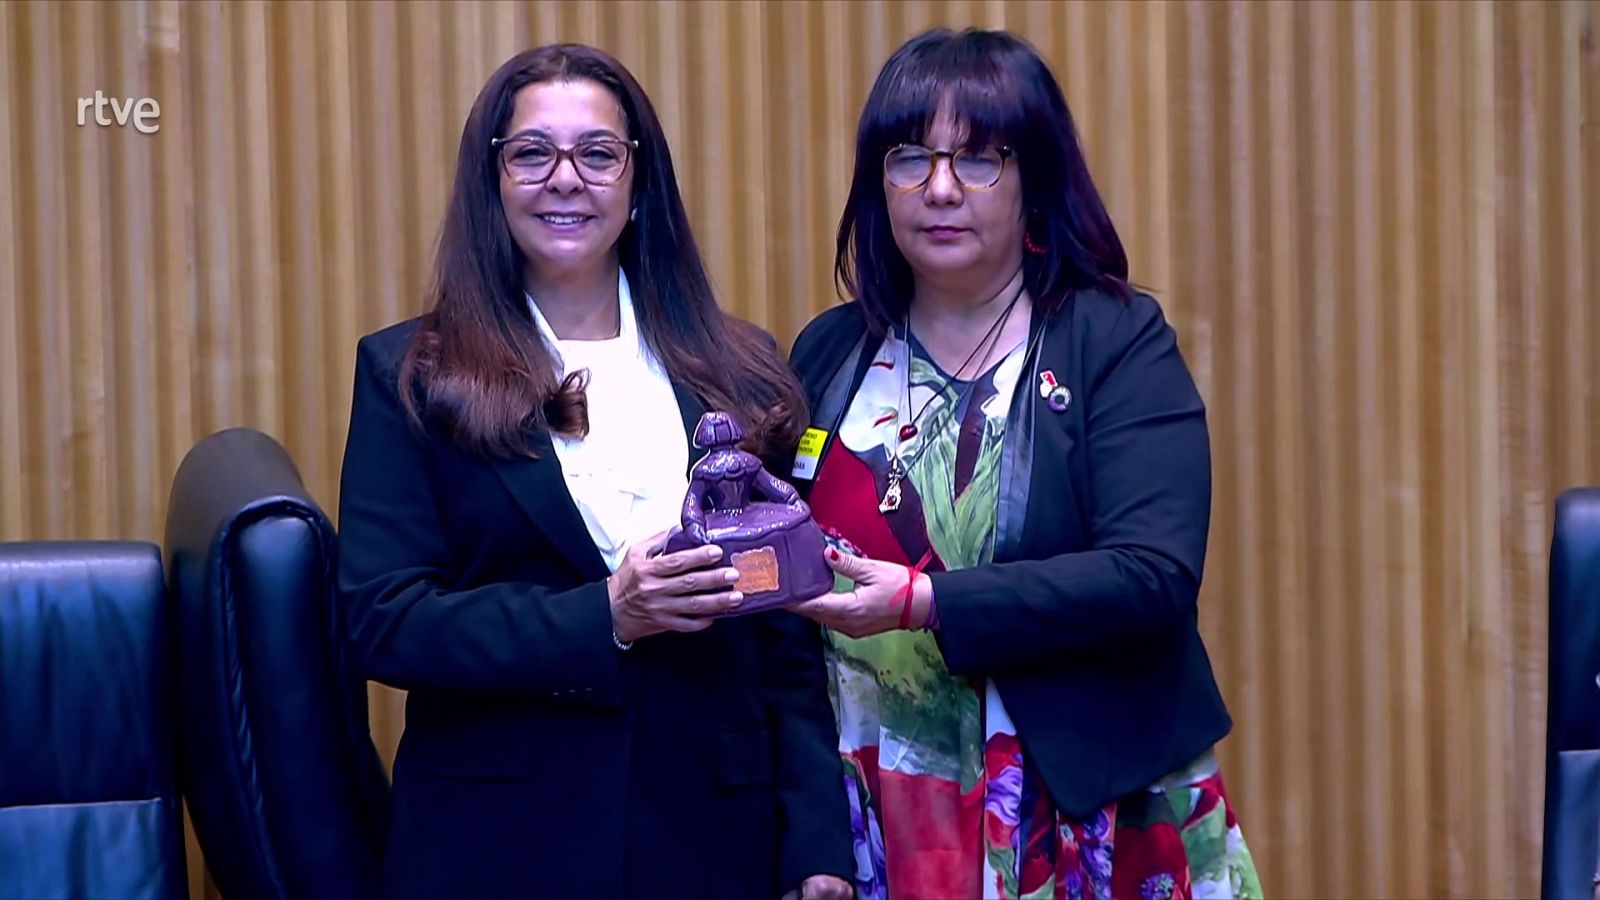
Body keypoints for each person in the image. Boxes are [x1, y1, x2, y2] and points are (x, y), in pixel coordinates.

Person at [336, 43, 852, 899]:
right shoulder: (412, 373)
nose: (565, 178)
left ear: (637, 181)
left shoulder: (739, 366)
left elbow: (784, 629)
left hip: (713, 835)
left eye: (598, 153)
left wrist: (816, 841)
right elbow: (385, 621)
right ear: (491, 181)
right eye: (532, 153)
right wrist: (604, 616)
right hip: (499, 844)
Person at [785, 28, 1265, 900]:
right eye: (909, 158)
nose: (938, 189)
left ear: (1033, 179)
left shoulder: (1111, 338)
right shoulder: (829, 352)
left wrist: (929, 603)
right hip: (876, 804)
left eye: (978, 160)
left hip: (1081, 805)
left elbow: (1152, 575)